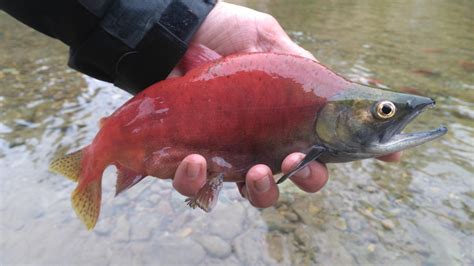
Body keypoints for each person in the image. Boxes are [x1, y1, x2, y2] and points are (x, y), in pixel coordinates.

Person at [0, 1, 400, 208]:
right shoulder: (317, 95)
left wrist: (179, 25)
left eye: (386, 111)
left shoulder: (320, 91)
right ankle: (93, 163)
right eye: (384, 110)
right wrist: (182, 29)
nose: (389, 114)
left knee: (213, 171)